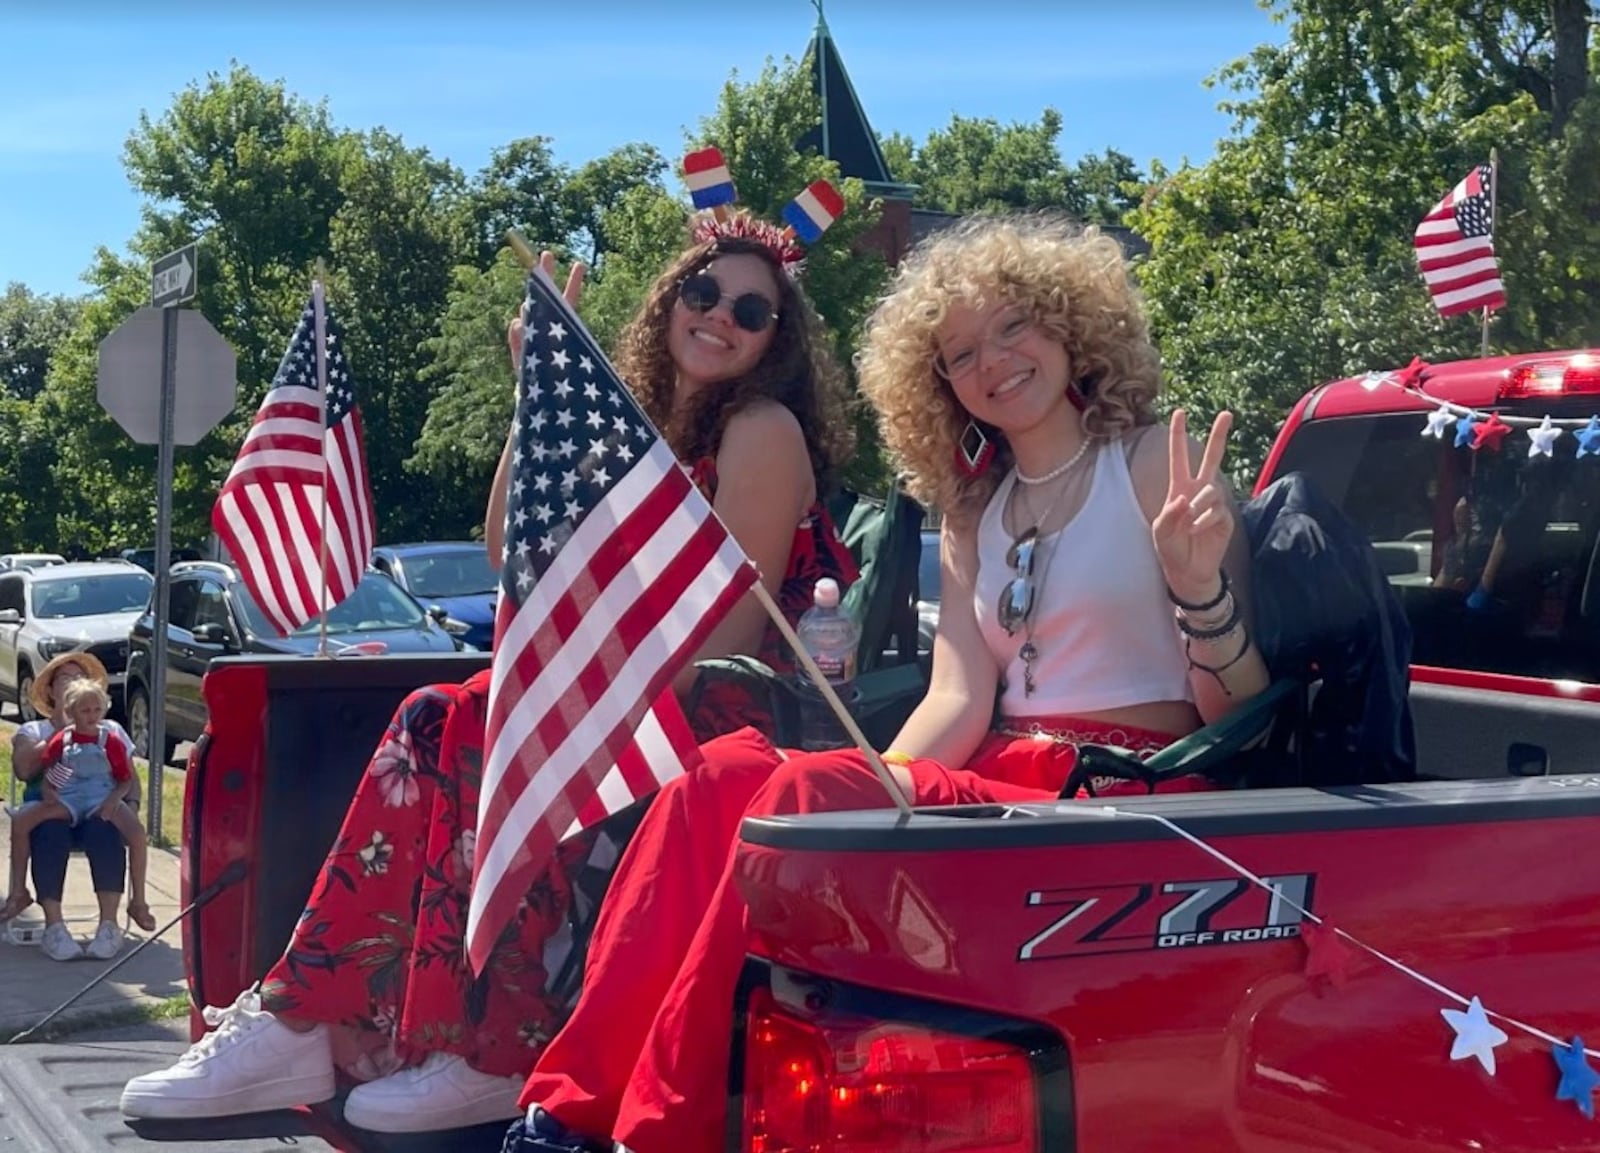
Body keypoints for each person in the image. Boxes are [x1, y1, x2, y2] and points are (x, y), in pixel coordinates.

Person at [508, 212, 1272, 1153]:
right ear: (938, 382)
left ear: (1072, 326)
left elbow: (1236, 715)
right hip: (1000, 779)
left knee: (802, 790)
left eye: (1011, 327)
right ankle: (570, 1111)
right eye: (958, 353)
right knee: (722, 779)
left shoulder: (1156, 461)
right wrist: (878, 791)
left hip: (1125, 789)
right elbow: (957, 697)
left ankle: (657, 1132)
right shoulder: (972, 511)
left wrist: (1201, 591)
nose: (989, 361)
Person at [121, 202, 862, 1130]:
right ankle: (324, 1017)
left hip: (713, 712)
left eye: (751, 312)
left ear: (775, 340)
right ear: (673, 297)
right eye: (705, 291)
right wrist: (533, 400)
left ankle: (490, 1044)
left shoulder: (760, 429)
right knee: (443, 712)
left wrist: (567, 698)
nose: (719, 316)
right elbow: (509, 542)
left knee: (478, 716)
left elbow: (729, 636)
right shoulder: (625, 417)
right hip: (608, 695)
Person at [4, 653, 140, 962]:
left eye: (79, 676)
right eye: (64, 678)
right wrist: (66, 733)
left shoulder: (110, 730)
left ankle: (109, 925)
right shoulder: (34, 731)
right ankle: (54, 927)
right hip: (53, 808)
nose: (72, 682)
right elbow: (24, 770)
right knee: (50, 833)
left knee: (104, 831)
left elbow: (129, 778)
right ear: (52, 691)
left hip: (98, 806)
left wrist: (128, 806)